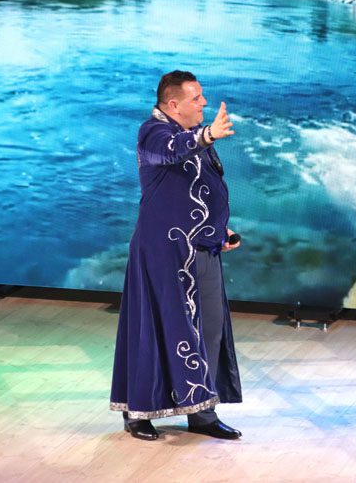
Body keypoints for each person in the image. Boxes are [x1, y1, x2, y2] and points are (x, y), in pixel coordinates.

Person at [110, 70, 243, 441]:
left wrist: (219, 228)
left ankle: (202, 412)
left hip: (201, 248)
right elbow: (174, 150)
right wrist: (208, 134)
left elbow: (200, 188)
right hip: (162, 253)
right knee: (153, 329)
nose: (203, 103)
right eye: (196, 98)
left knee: (210, 329)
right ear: (173, 104)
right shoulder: (152, 133)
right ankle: (139, 412)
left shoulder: (192, 132)